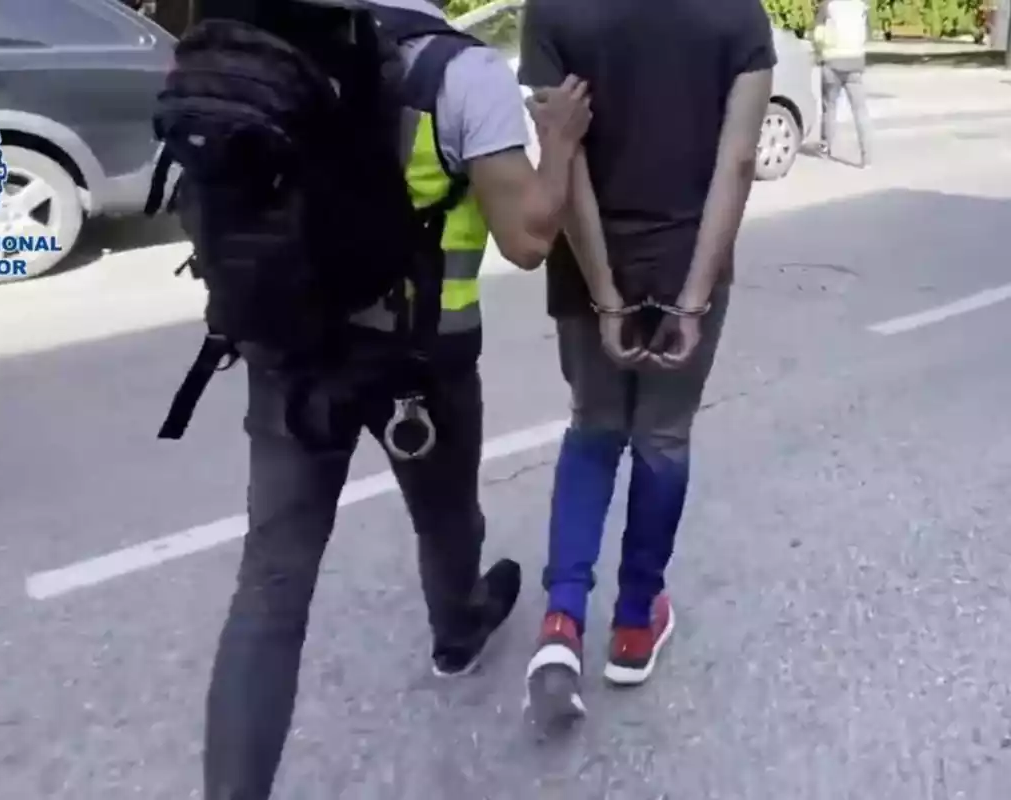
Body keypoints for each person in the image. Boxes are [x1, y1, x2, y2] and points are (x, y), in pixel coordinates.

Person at [196, 0, 592, 795]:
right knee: (447, 518)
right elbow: (526, 241)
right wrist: (559, 145)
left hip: (290, 348)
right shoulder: (464, 72)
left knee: (272, 585)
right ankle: (456, 631)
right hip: (422, 359)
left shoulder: (266, 51)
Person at [517, 0, 775, 729]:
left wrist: (603, 294)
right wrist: (692, 299)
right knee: (662, 437)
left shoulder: (554, 8)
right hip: (687, 256)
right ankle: (633, 625)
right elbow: (740, 160)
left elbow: (564, 161)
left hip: (587, 263)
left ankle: (562, 623)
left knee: (593, 428)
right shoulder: (738, 13)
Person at [814, 0, 874, 167]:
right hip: (855, 63)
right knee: (860, 110)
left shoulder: (828, 5)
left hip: (832, 63)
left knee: (829, 107)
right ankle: (866, 156)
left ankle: (826, 147)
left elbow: (818, 35)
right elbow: (868, 33)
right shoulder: (861, 5)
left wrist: (822, 47)